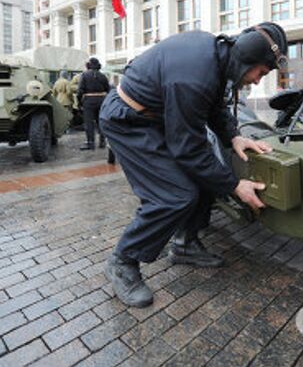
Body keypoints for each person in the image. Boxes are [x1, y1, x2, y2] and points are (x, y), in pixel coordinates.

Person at [99, 21, 288, 307]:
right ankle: (122, 261)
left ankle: (185, 244)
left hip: (154, 117)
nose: (257, 81)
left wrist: (234, 136)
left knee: (203, 176)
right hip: (128, 121)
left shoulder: (216, 56)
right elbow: (187, 149)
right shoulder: (193, 75)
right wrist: (235, 186)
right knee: (172, 195)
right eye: (260, 72)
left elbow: (215, 104)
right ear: (247, 58)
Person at [77, 57, 110, 150]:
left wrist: (79, 102)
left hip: (89, 101)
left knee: (89, 123)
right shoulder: (103, 76)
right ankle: (102, 142)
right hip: (102, 100)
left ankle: (90, 143)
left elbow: (80, 91)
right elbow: (108, 89)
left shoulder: (84, 75)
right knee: (101, 121)